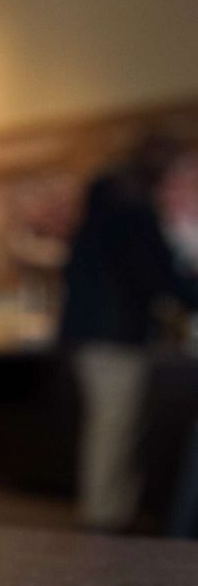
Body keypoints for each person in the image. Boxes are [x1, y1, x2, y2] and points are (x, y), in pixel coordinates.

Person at [60, 134, 198, 531]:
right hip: (113, 335)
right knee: (113, 426)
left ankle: (111, 510)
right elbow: (158, 275)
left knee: (113, 424)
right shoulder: (133, 212)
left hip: (95, 333)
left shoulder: (107, 205)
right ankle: (104, 517)